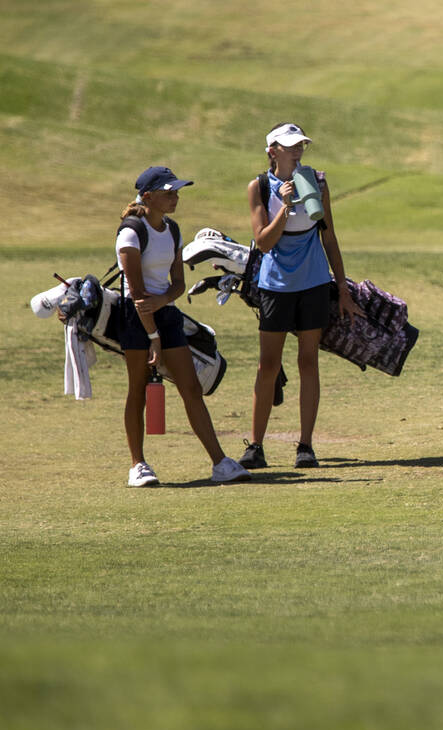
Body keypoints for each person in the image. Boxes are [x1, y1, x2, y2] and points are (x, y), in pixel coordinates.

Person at [117, 167, 252, 486]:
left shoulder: (173, 230)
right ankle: (138, 465)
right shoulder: (130, 233)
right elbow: (137, 294)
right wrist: (153, 337)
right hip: (136, 318)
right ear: (148, 197)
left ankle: (220, 463)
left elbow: (178, 284)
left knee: (190, 387)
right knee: (138, 389)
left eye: (177, 191)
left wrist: (163, 305)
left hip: (165, 311)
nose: (175, 196)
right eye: (168, 192)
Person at [239, 122, 361, 470]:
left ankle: (305, 445)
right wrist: (285, 206)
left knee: (308, 362)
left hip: (313, 284)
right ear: (272, 151)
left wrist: (343, 290)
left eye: (301, 145)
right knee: (268, 366)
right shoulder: (260, 187)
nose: (297, 151)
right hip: (275, 286)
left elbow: (330, 238)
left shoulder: (318, 182)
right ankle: (256, 447)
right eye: (290, 146)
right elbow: (263, 241)